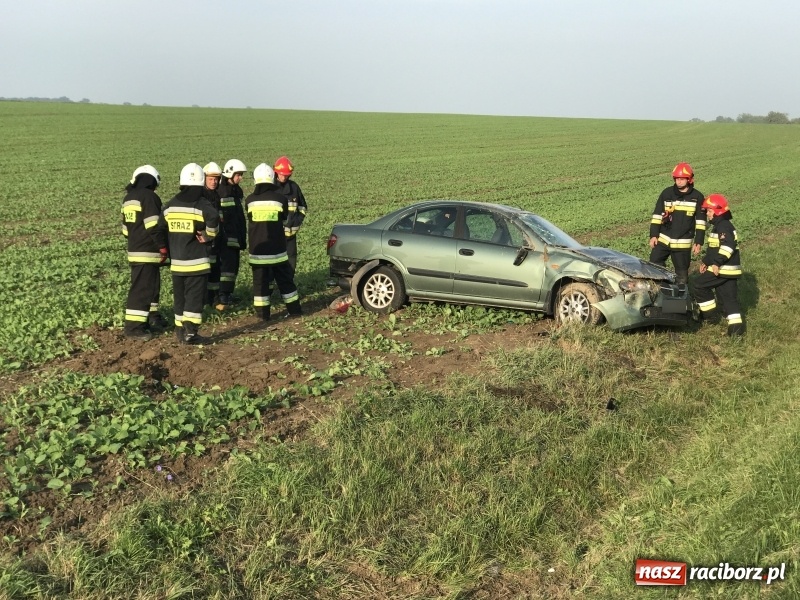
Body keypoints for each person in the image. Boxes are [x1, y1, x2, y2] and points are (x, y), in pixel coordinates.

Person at [159, 163, 219, 344]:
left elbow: (160, 227)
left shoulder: (170, 206)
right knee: (194, 298)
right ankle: (191, 333)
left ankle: (179, 331)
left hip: (177, 263)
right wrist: (208, 235)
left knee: (180, 297)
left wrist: (166, 246)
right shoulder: (201, 204)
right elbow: (214, 217)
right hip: (197, 263)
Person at [245, 163, 302, 320]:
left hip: (257, 252)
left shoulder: (249, 201)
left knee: (260, 285)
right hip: (277, 251)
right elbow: (284, 217)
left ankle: (263, 316)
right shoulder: (280, 199)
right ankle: (295, 311)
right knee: (285, 282)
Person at [121, 165, 168, 340]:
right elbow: (153, 226)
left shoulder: (128, 198)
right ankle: (133, 329)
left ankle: (145, 323)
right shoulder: (149, 197)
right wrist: (162, 247)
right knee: (142, 290)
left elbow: (125, 231)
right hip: (148, 250)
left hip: (134, 249)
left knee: (148, 288)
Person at [694, 194, 744, 336]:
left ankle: (710, 317)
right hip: (730, 270)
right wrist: (706, 261)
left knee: (699, 285)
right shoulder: (721, 225)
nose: (708, 214)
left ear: (717, 211)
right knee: (729, 299)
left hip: (723, 269)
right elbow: (714, 250)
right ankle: (736, 332)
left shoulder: (723, 226)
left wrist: (716, 263)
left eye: (709, 211)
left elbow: (728, 247)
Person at [648, 163, 706, 285]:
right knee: (654, 263)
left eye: (682, 179)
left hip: (683, 243)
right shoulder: (666, 193)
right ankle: (661, 288)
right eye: (676, 179)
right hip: (664, 239)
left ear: (689, 179)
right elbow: (657, 215)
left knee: (682, 274)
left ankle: (680, 297)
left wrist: (699, 241)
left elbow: (701, 222)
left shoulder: (697, 197)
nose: (678, 181)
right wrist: (653, 235)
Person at [216, 159, 248, 307]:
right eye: (238, 175)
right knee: (227, 268)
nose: (240, 178)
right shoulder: (223, 191)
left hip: (234, 235)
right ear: (230, 173)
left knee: (233, 267)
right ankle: (223, 295)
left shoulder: (235, 190)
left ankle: (227, 294)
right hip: (226, 237)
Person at [273, 155, 308, 271]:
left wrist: (297, 222)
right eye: (282, 174)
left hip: (291, 235)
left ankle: (288, 283)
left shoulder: (294, 187)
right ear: (276, 172)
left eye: (286, 175)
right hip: (275, 235)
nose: (284, 177)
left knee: (291, 261)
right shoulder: (271, 188)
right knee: (275, 262)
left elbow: (303, 207)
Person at [202, 162, 224, 308]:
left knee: (215, 269)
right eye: (210, 179)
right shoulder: (201, 196)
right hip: (204, 241)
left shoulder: (217, 195)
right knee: (204, 270)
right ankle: (204, 301)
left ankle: (214, 299)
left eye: (216, 179)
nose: (213, 181)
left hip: (216, 238)